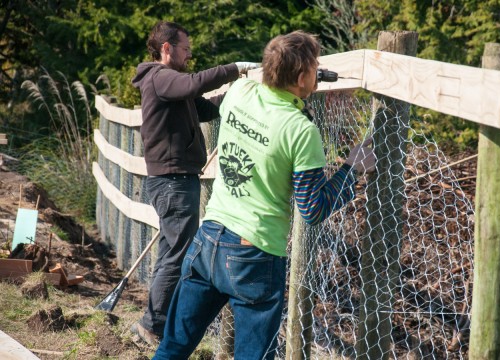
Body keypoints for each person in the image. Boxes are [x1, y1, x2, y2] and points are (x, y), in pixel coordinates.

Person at [153, 30, 376, 360]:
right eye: (314, 67)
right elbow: (312, 208)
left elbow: (266, 91)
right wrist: (351, 169)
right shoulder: (300, 131)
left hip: (209, 238)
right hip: (254, 255)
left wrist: (297, 91)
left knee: (173, 346)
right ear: (301, 77)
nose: (318, 72)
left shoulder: (240, 92)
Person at [129, 20, 259, 346]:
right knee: (178, 255)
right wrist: (235, 69)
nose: (190, 55)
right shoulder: (160, 78)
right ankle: (152, 325)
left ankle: (155, 323)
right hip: (172, 182)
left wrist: (239, 94)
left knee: (173, 253)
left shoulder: (170, 85)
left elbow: (205, 107)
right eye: (185, 49)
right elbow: (193, 85)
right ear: (167, 48)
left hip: (174, 180)